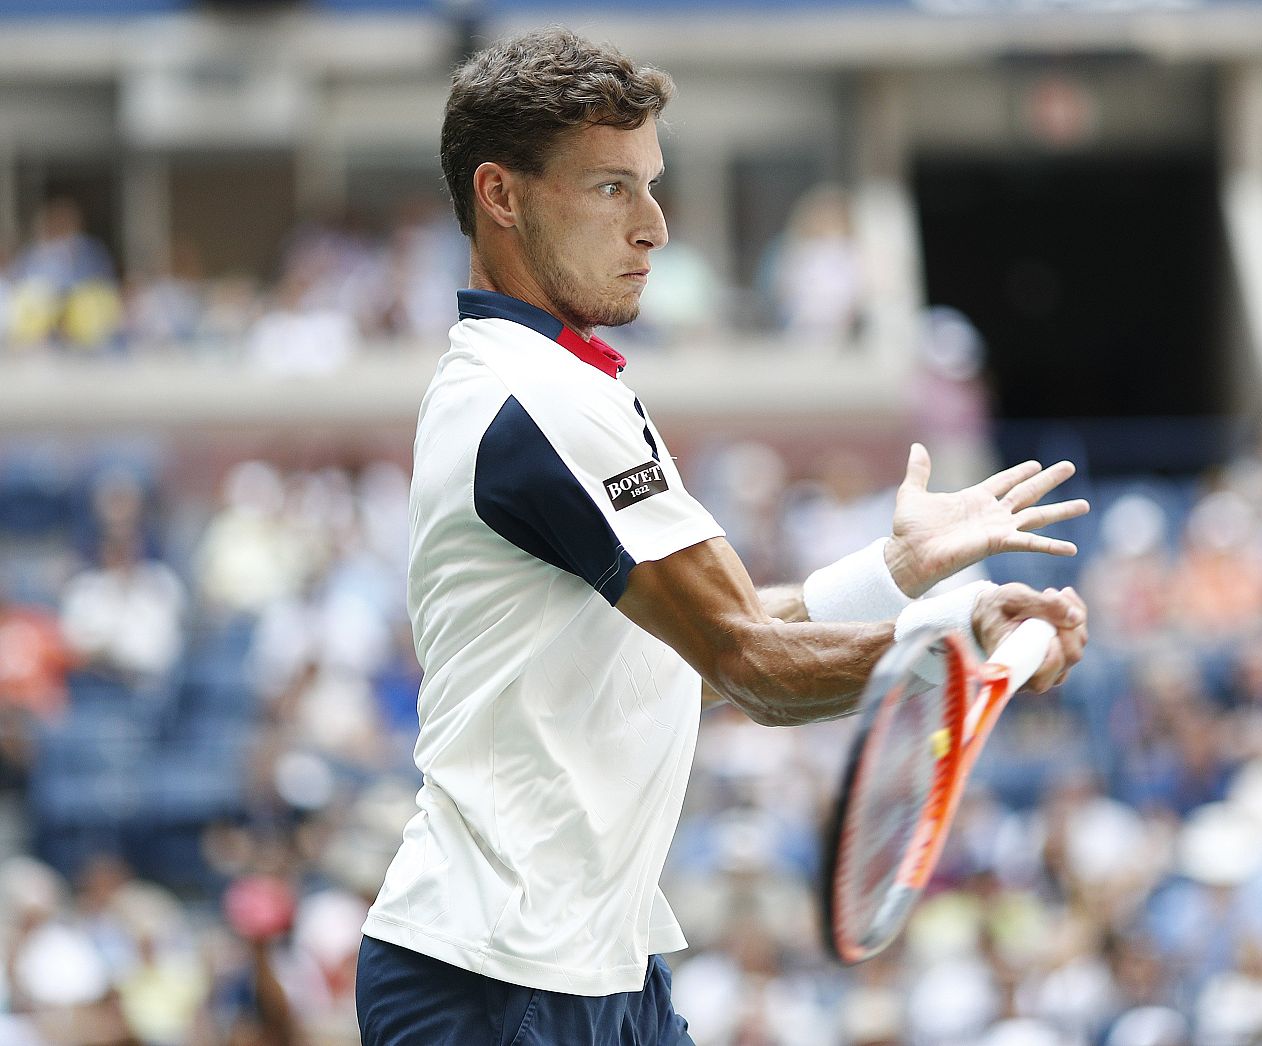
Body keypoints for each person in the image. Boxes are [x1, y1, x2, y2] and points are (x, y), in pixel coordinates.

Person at [354, 28, 1091, 1046]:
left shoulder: (560, 385)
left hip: (598, 967)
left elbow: (690, 658)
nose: (654, 226)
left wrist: (896, 574)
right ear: (501, 194)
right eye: (612, 188)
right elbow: (748, 659)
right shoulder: (534, 399)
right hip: (487, 978)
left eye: (652, 185)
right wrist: (956, 632)